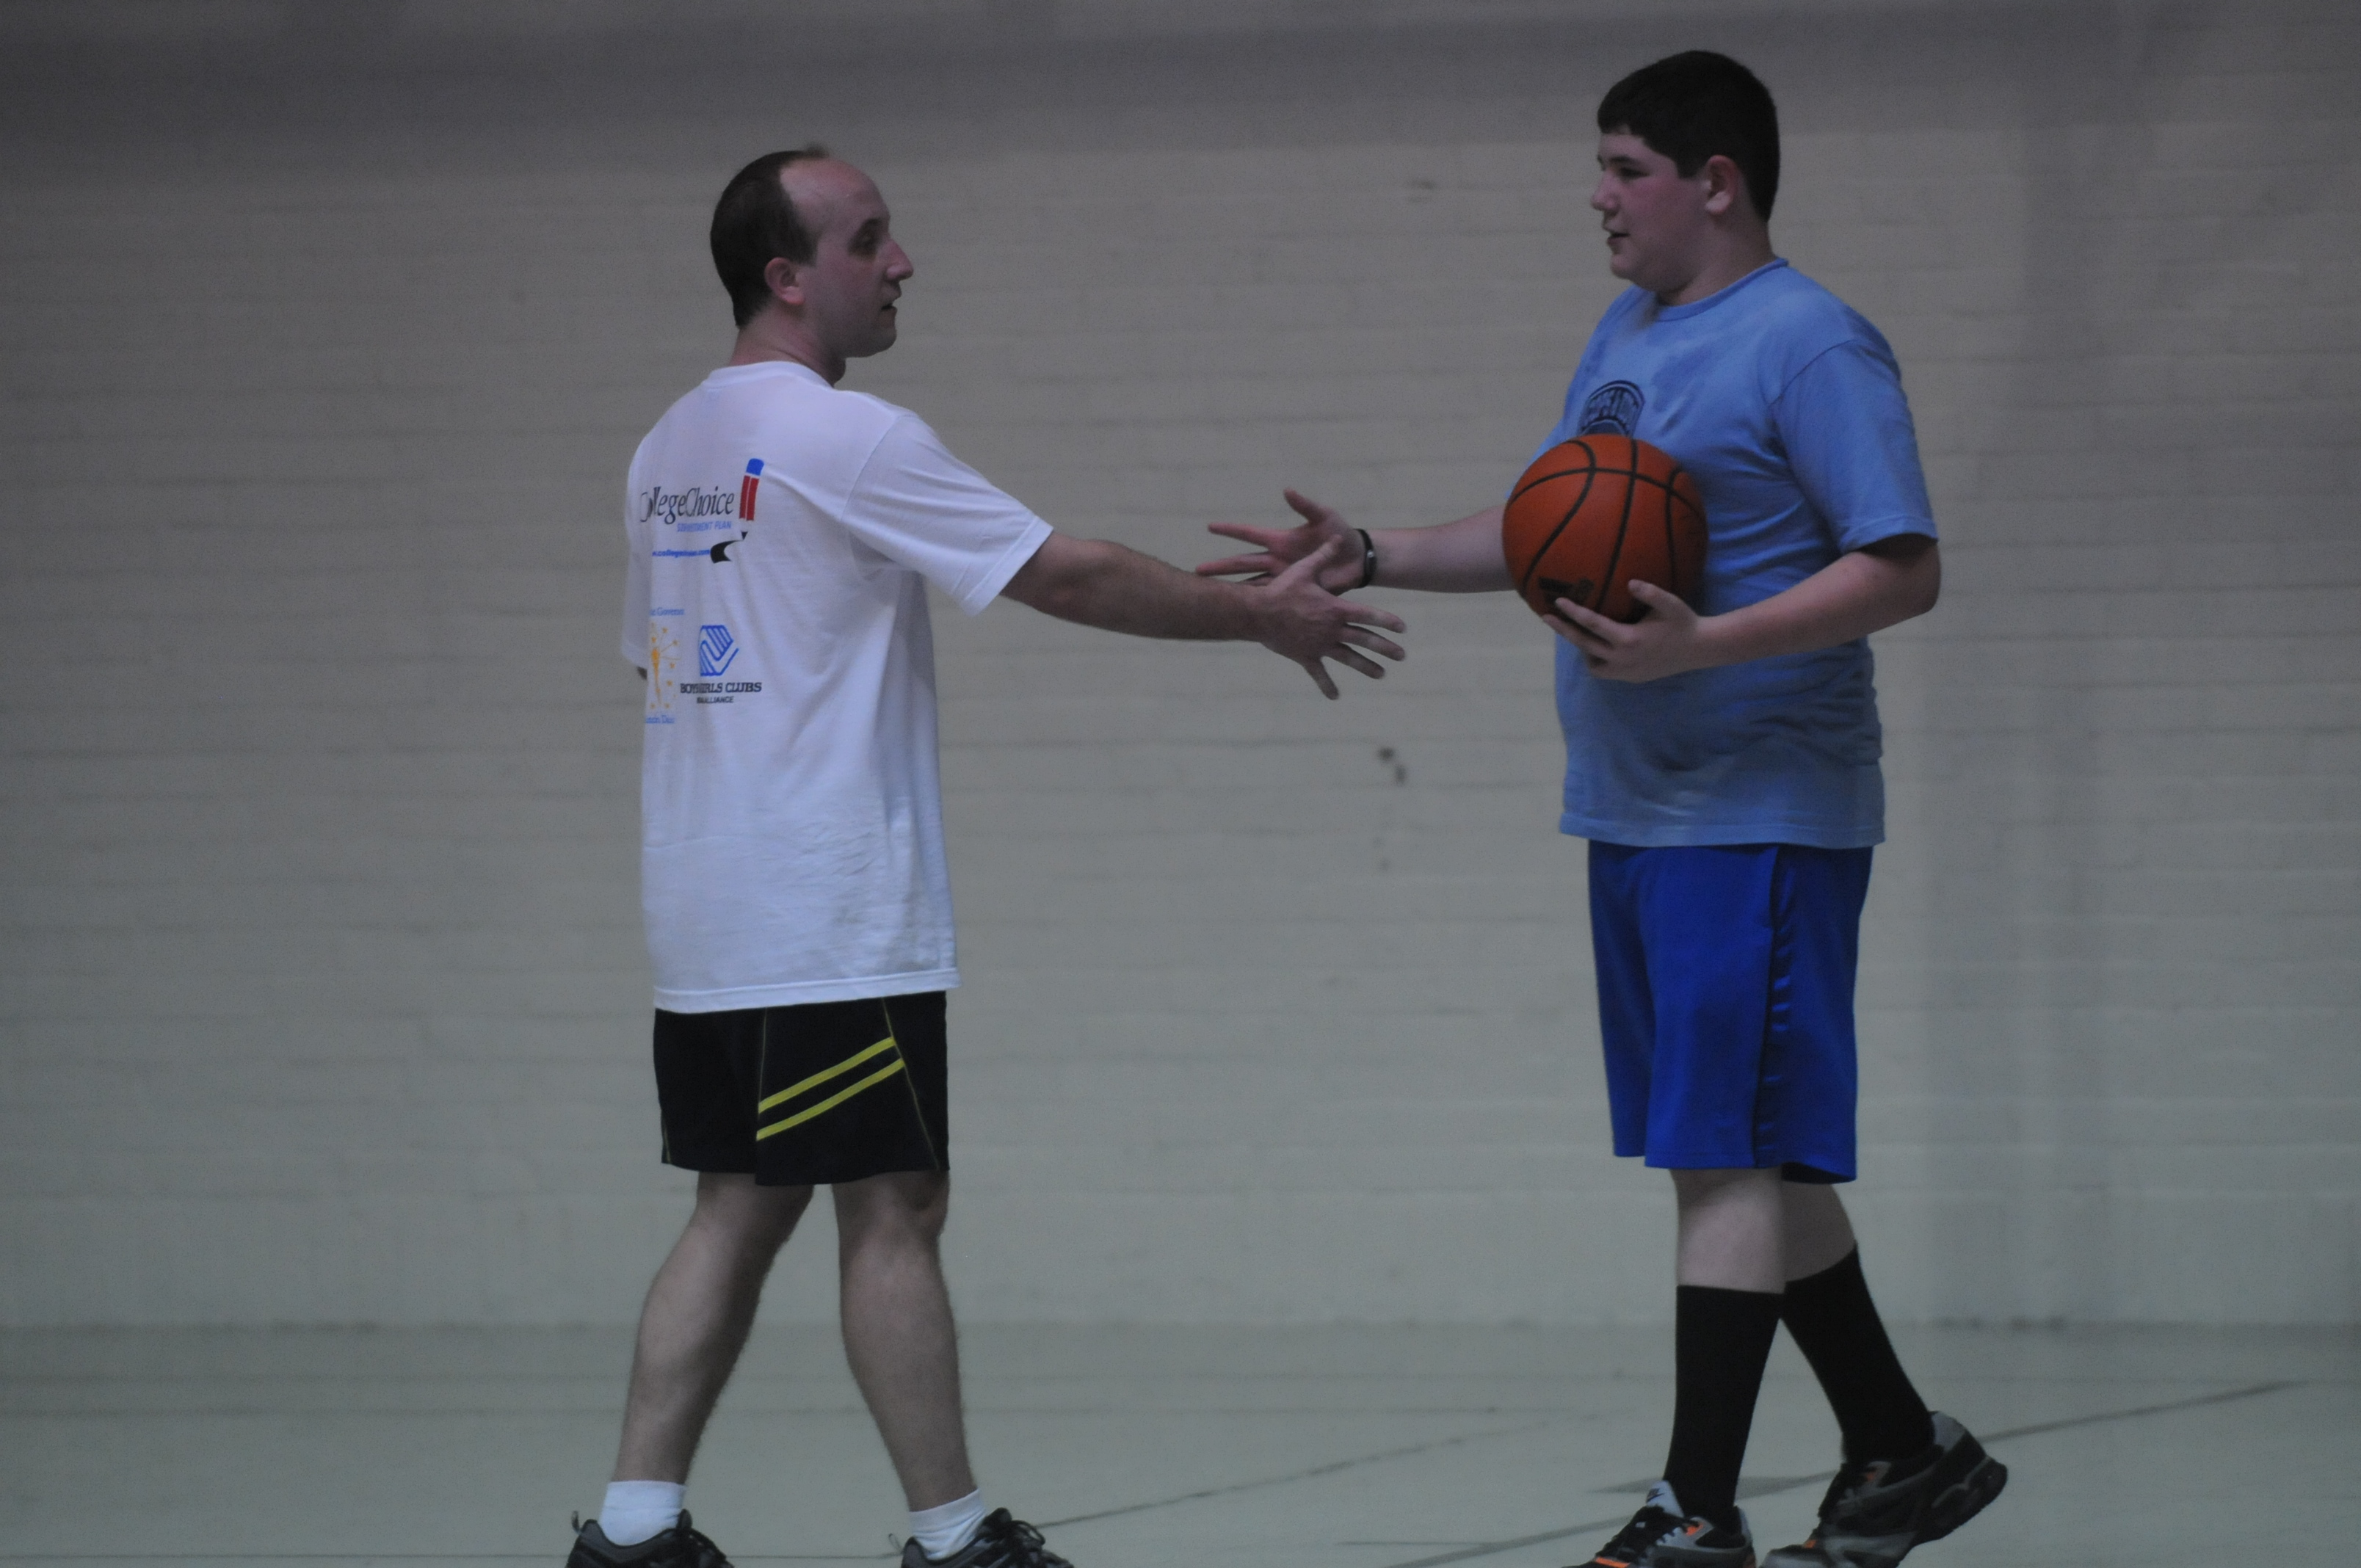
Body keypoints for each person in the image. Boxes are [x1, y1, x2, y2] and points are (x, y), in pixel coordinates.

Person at [1199, 51, 2003, 1568]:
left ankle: (1697, 1509)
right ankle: (1904, 1451)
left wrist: (1710, 644)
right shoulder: (1627, 337)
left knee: (1725, 1160)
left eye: (1627, 168)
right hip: (1637, 808)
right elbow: (1550, 535)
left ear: (1717, 182)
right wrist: (1373, 550)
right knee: (1748, 1151)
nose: (1600, 196)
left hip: (1760, 810)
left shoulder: (1809, 342)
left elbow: (1905, 566)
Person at [570, 147, 1407, 1568]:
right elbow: (1061, 571)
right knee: (894, 1204)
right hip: (826, 914)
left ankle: (635, 1528)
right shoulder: (847, 436)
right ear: (787, 277)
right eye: (869, 240)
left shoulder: (668, 451)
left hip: (706, 908)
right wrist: (1258, 617)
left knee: (738, 1205)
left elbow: (659, 662)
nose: (901, 263)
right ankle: (957, 1541)